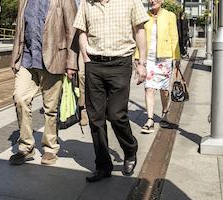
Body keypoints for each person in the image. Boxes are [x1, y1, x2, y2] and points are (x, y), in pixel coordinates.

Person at [73, 0, 149, 182]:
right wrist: (85, 56)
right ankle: (102, 165)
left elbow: (139, 30)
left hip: (120, 63)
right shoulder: (86, 3)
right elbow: (81, 32)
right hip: (94, 64)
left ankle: (130, 150)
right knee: (95, 118)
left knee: (116, 114)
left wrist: (142, 63)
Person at [9, 0, 78, 165]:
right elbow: (19, 29)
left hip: (53, 59)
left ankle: (50, 148)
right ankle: (26, 146)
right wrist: (14, 57)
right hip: (27, 59)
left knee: (50, 108)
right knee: (20, 98)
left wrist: (72, 63)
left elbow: (72, 31)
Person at [137, 0, 180, 133]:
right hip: (148, 58)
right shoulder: (144, 16)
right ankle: (150, 119)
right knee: (149, 88)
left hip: (165, 58)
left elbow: (174, 37)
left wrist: (176, 58)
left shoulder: (170, 15)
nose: (152, 1)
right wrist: (138, 57)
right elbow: (138, 36)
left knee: (164, 90)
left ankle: (165, 113)